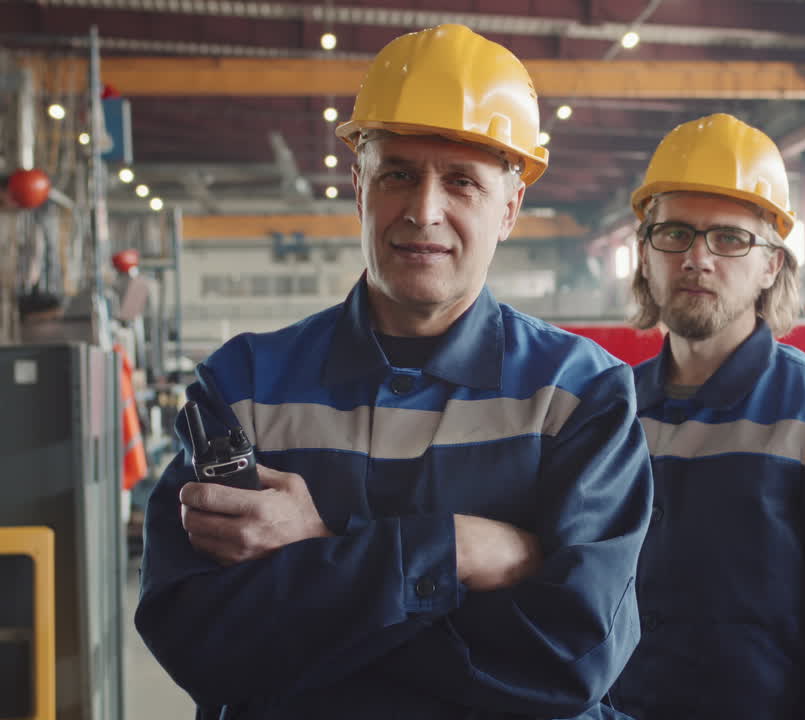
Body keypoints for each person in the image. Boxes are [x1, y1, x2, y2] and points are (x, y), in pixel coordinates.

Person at [135, 24, 652, 719]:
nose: (423, 211)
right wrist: (453, 551)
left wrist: (322, 555)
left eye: (462, 181)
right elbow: (200, 639)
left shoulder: (581, 395)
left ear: (509, 209)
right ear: (360, 188)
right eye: (398, 174)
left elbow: (571, 658)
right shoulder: (244, 387)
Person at [608, 113, 805, 719]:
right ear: (645, 255)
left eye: (729, 239)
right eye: (675, 234)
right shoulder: (610, 411)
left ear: (772, 265)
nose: (697, 258)